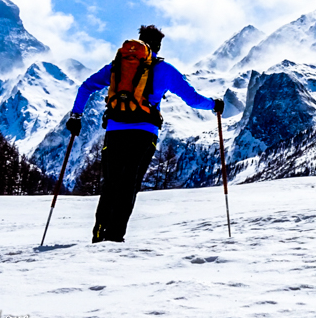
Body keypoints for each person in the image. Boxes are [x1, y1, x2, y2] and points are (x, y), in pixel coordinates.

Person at [66, 25, 224, 243]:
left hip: (114, 130)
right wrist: (214, 105)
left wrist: (76, 116)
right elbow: (193, 99)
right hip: (144, 133)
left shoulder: (117, 66)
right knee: (129, 183)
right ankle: (115, 237)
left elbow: (85, 87)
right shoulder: (165, 69)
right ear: (158, 46)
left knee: (111, 183)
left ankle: (99, 233)